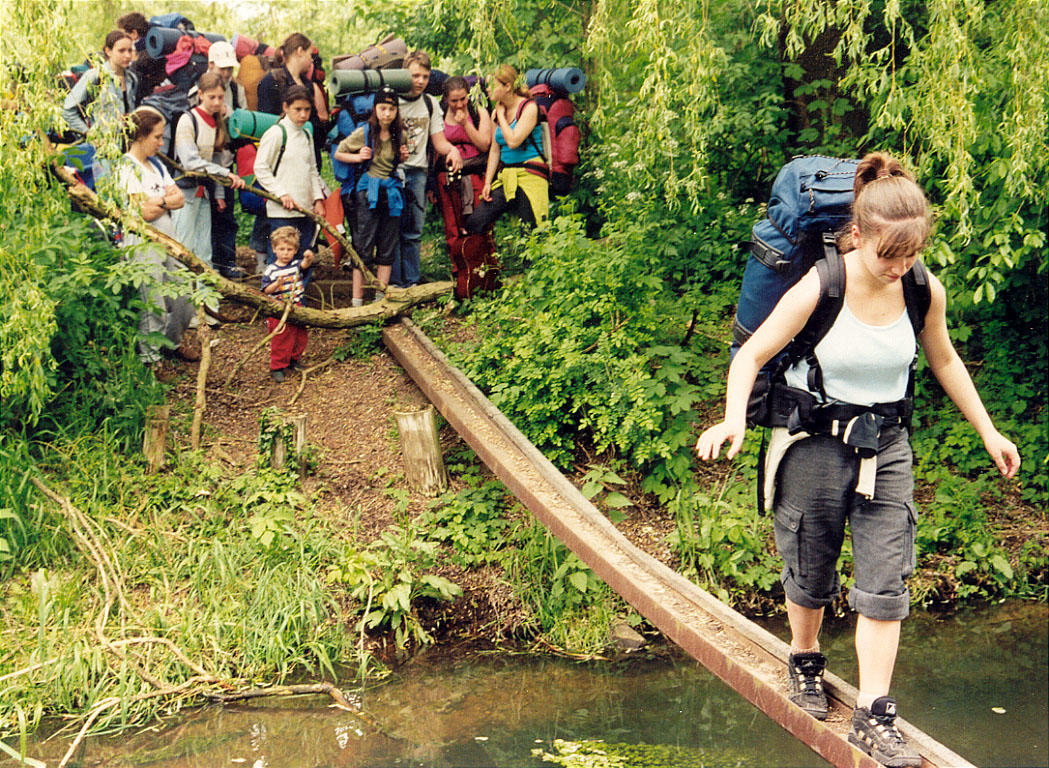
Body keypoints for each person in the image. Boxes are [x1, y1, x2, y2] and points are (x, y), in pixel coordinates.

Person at [694, 153, 1020, 768]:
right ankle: (805, 656)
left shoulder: (923, 287)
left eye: (909, 254)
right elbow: (751, 356)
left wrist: (989, 431)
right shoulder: (823, 285)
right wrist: (734, 419)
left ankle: (875, 711)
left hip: (886, 446)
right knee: (810, 566)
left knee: (885, 578)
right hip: (813, 440)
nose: (899, 268)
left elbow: (945, 360)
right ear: (858, 235)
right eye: (887, 255)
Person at [116, 107, 196, 364]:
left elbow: (180, 198)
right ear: (140, 136)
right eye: (157, 137)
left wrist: (158, 201)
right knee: (154, 302)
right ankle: (150, 360)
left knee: (184, 293)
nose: (161, 143)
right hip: (143, 242)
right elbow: (144, 212)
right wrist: (164, 200)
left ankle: (172, 344)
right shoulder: (127, 167)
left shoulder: (157, 164)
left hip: (168, 238)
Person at [333, 88, 408, 306]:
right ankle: (357, 300)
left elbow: (394, 163)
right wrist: (357, 157)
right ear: (375, 109)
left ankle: (380, 298)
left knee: (387, 245)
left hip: (391, 192)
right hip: (367, 193)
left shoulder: (399, 134)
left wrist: (402, 157)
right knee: (363, 245)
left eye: (391, 109)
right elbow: (339, 153)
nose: (387, 114)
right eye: (383, 108)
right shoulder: (365, 132)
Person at [394, 50, 463, 288]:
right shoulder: (392, 99)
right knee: (392, 229)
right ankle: (392, 284)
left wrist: (452, 150)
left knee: (413, 230)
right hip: (392, 173)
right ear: (405, 75)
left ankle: (411, 284)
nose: (420, 81)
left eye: (424, 76)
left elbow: (439, 141)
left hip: (417, 172)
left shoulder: (430, 104)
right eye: (415, 75)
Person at [171, 72, 246, 275]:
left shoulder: (216, 122)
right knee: (184, 244)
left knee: (204, 248)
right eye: (212, 97)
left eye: (220, 98)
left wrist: (219, 194)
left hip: (203, 192)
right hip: (184, 192)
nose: (216, 102)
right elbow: (190, 162)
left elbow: (215, 158)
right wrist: (226, 174)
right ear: (201, 94)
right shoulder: (188, 120)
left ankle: (207, 294)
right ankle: (183, 299)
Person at [464, 64, 548, 235]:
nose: (487, 89)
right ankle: (487, 260)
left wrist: (501, 116)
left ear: (507, 86)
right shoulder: (498, 110)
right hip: (507, 175)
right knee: (476, 221)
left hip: (531, 173)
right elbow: (495, 150)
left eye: (491, 85)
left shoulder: (529, 107)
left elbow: (514, 141)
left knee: (531, 233)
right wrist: (488, 182)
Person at [189, 42, 248, 279]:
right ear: (211, 65)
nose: (226, 74)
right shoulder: (197, 91)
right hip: (203, 163)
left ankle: (226, 262)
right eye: (222, 69)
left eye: (229, 69)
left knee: (226, 216)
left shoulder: (236, 88)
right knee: (207, 216)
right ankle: (207, 265)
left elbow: (242, 118)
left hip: (225, 160)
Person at [253, 85, 325, 271]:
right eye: (298, 109)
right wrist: (281, 193)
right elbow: (260, 168)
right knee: (280, 261)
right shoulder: (276, 133)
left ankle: (297, 298)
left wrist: (317, 199)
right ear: (286, 107)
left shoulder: (307, 135)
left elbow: (312, 171)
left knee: (303, 259)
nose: (303, 115)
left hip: (305, 209)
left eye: (307, 110)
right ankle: (276, 299)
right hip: (282, 212)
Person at [256, 32, 328, 166]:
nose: (312, 60)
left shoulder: (308, 85)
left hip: (308, 158)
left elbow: (315, 127)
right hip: (283, 158)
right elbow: (266, 121)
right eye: (310, 55)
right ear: (300, 51)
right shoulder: (271, 81)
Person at [437, 75, 492, 244]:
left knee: (481, 221)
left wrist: (466, 125)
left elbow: (484, 144)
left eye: (463, 99)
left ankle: (486, 266)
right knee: (453, 225)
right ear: (446, 99)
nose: (460, 104)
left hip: (475, 173)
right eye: (454, 101)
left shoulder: (478, 110)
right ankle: (461, 267)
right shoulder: (439, 113)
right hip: (449, 178)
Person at [261, 225, 314, 382]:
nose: (285, 253)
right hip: (278, 309)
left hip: (296, 305)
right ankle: (277, 366)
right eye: (282, 249)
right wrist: (276, 284)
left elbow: (304, 265)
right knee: (281, 337)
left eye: (289, 249)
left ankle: (293, 360)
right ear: (274, 249)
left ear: (295, 250)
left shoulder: (295, 265)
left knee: (300, 335)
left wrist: (308, 258)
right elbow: (265, 291)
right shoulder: (271, 270)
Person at [62, 30, 138, 137]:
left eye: (130, 51)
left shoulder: (132, 79)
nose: (127, 55)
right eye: (121, 51)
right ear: (108, 51)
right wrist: (89, 134)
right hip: (101, 146)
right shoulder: (95, 76)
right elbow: (68, 110)